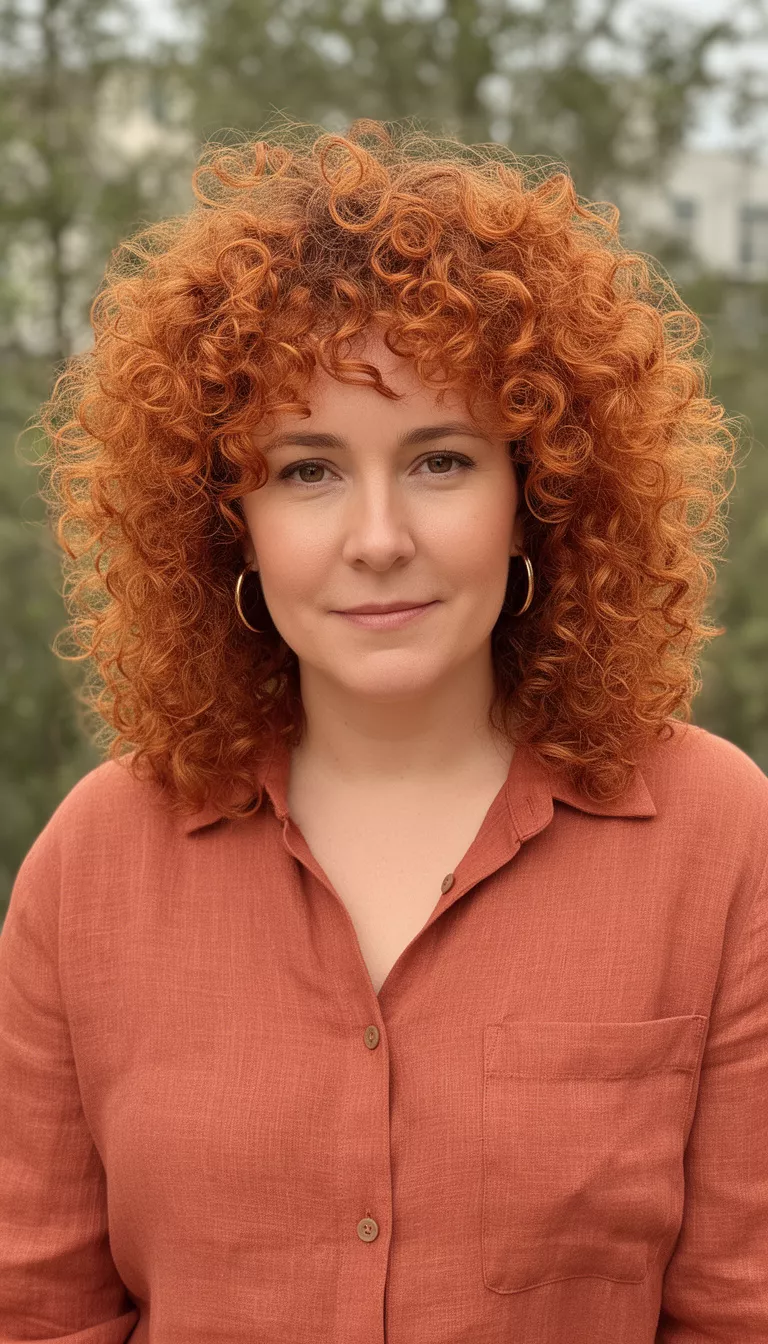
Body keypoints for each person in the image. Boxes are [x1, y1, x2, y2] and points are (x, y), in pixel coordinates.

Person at [0, 118, 766, 1344]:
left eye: (441, 461)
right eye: (306, 469)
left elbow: (742, 1308)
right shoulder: (94, 863)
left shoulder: (718, 838)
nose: (376, 538)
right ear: (225, 519)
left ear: (539, 494)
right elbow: (38, 1313)